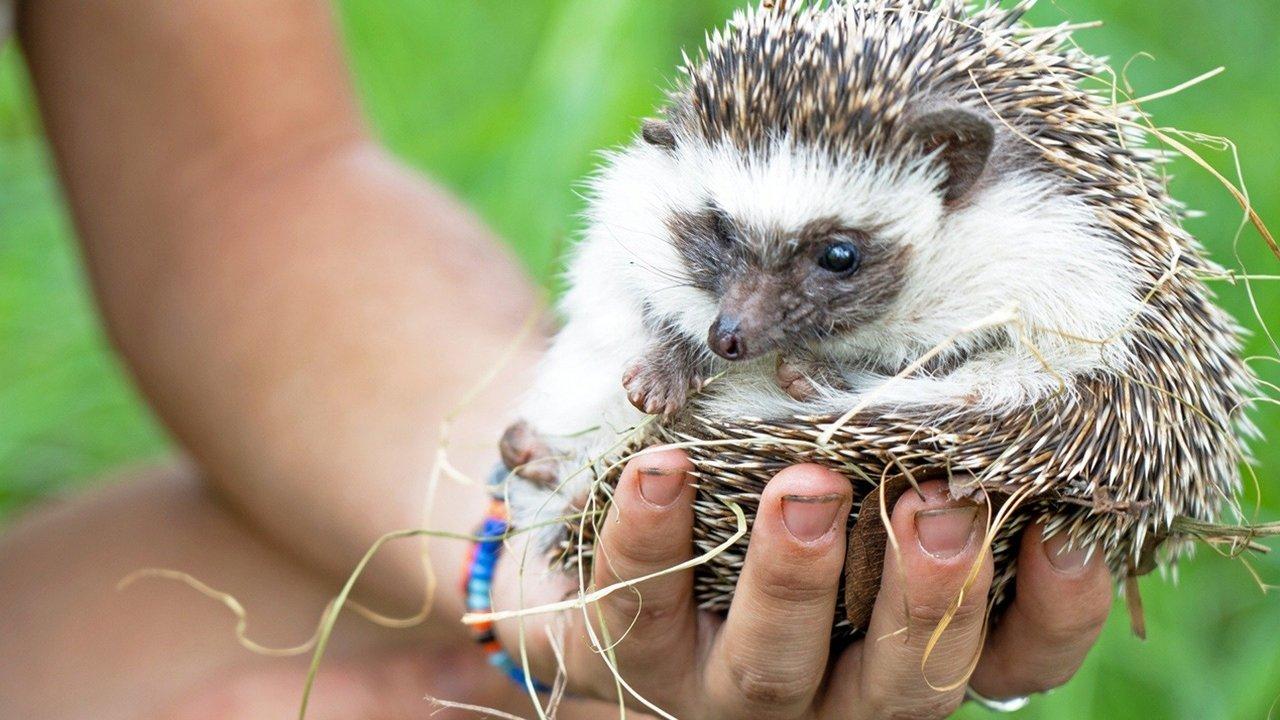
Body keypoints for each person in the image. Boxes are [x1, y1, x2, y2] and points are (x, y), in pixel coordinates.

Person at [0, 2, 1115, 718]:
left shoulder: (1027, 255)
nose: (740, 318)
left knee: (539, 676)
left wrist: (517, 547)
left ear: (950, 177)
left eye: (829, 259)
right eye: (719, 250)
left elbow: (239, 175)